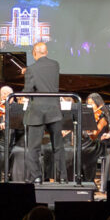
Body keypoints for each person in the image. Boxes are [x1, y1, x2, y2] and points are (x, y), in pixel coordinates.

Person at [20, 42, 69, 181]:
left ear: (34, 53)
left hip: (37, 112)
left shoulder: (31, 69)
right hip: (54, 110)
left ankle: (36, 176)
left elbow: (28, 91)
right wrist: (29, 70)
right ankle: (63, 177)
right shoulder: (55, 65)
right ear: (46, 52)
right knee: (58, 146)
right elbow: (45, 75)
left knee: (33, 148)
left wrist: (27, 72)